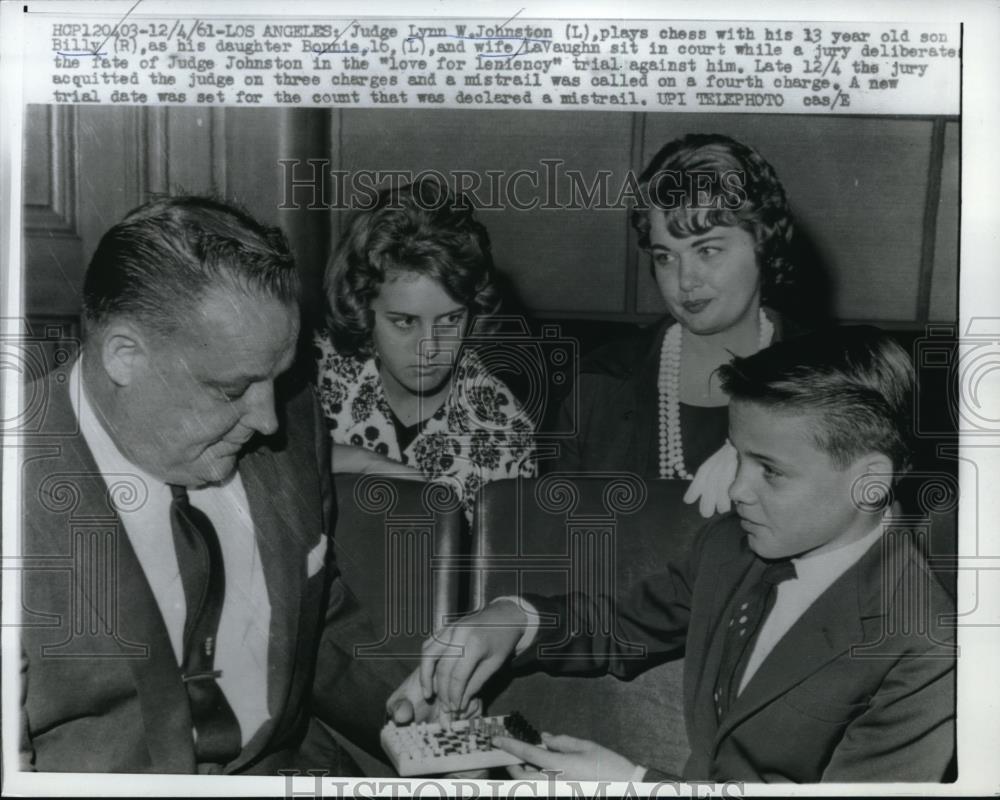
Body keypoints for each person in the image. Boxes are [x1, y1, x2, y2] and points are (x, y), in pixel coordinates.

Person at [400, 327, 956, 782]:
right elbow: (621, 625)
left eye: (772, 471)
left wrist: (636, 789)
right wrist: (513, 618)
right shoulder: (734, 546)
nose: (737, 489)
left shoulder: (923, 646)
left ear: (869, 483)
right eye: (736, 457)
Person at [17, 196, 434, 774]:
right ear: (124, 357)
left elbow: (315, 619)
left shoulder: (292, 420)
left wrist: (418, 707)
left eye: (277, 378)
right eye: (232, 390)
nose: (268, 421)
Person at [550, 133, 803, 517]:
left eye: (708, 250)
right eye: (666, 257)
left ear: (762, 243)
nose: (685, 280)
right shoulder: (598, 383)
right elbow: (558, 540)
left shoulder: (833, 381)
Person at [315, 177, 536, 515]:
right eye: (404, 322)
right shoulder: (311, 374)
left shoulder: (505, 429)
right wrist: (366, 463)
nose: (428, 349)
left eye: (450, 320)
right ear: (361, 305)